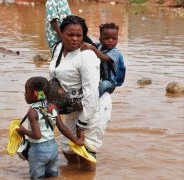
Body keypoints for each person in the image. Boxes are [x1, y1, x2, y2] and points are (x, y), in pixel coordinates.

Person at [49, 15, 112, 169]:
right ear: (61, 33)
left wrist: (81, 126)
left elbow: (91, 95)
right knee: (67, 149)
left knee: (86, 154)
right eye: (70, 35)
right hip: (72, 106)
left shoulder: (87, 56)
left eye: (79, 35)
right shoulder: (57, 48)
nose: (75, 39)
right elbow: (53, 77)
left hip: (93, 107)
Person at [16, 76, 84, 179]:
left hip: (38, 150)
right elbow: (62, 128)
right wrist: (76, 140)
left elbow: (37, 135)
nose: (24, 95)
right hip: (52, 148)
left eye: (26, 92)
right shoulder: (52, 107)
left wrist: (23, 130)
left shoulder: (32, 111)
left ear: (35, 94)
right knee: (52, 176)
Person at [83, 22, 122, 96]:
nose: (110, 41)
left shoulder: (115, 52)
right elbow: (90, 43)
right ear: (100, 39)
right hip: (99, 79)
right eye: (107, 38)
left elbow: (104, 58)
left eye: (114, 38)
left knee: (103, 85)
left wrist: (93, 49)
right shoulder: (100, 46)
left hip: (110, 82)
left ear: (117, 40)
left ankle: (95, 98)